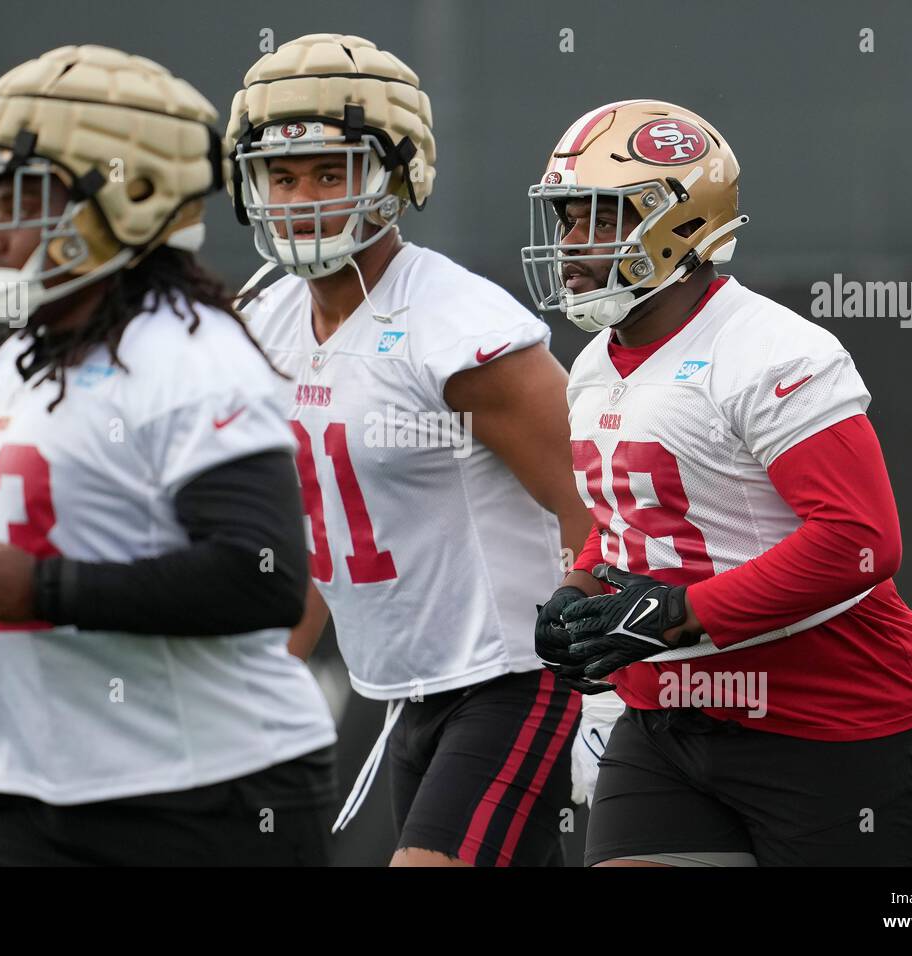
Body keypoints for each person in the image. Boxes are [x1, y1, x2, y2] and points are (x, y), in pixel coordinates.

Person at [0, 44, 337, 866]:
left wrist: (40, 588)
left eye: (23, 199)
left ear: (130, 196)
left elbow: (263, 577)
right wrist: (9, 688)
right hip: (29, 788)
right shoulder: (17, 359)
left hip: (207, 793)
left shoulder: (190, 356)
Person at [525, 100, 912, 866]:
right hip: (669, 722)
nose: (570, 244)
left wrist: (684, 614)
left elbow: (860, 542)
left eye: (598, 217)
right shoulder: (593, 363)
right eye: (565, 219)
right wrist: (583, 585)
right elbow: (629, 512)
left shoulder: (771, 352)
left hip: (830, 722)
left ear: (681, 224)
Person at [228, 33, 594, 866]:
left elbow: (598, 497)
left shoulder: (457, 329)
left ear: (396, 176)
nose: (303, 198)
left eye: (331, 172)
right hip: (409, 691)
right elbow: (306, 524)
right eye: (282, 175)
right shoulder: (265, 320)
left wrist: (606, 683)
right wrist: (261, 682)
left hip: (516, 674)